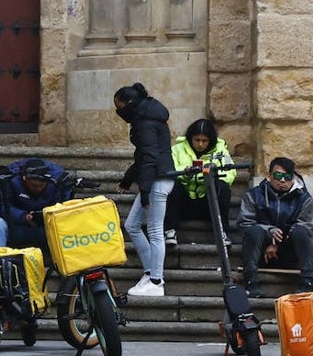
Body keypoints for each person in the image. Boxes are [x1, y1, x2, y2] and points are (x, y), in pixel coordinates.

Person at [114, 82, 175, 298]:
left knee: (155, 231)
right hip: (157, 178)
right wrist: (128, 179)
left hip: (157, 180)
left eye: (119, 106)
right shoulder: (148, 116)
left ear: (129, 104)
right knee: (132, 225)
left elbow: (149, 157)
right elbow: (143, 156)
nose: (118, 112)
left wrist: (145, 189)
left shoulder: (145, 122)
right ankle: (150, 273)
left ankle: (156, 281)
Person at [238, 157, 313, 298]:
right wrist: (268, 231)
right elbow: (244, 223)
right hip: (260, 250)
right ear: (269, 176)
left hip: (289, 250)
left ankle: (307, 281)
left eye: (287, 176)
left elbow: (306, 225)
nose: (282, 180)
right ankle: (251, 281)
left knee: (302, 232)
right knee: (253, 231)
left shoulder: (304, 199)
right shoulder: (254, 195)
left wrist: (277, 244)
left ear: (293, 177)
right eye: (278, 176)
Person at [165, 119, 237, 249]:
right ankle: (170, 230)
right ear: (190, 138)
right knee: (172, 185)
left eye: (204, 141)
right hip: (184, 203)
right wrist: (187, 174)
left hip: (208, 203)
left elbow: (230, 172)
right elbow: (171, 170)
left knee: (222, 188)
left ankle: (222, 232)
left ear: (211, 141)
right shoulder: (176, 150)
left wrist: (209, 176)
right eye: (197, 140)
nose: (200, 144)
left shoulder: (221, 151)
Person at [0, 157, 74, 252]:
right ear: (24, 178)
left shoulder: (58, 180)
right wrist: (23, 216)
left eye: (42, 186)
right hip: (18, 225)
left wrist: (45, 217)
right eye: (34, 186)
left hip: (47, 228)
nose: (39, 189)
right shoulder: (9, 178)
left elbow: (64, 207)